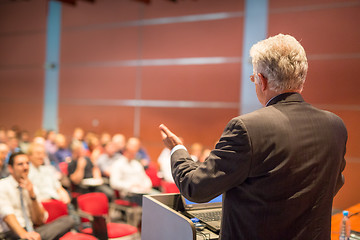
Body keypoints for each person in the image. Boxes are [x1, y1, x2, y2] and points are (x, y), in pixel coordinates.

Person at [159, 34, 347, 240]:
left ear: (261, 80)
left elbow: (195, 188)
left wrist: (177, 149)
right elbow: (334, 183)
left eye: (253, 79)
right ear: (302, 78)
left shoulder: (247, 128)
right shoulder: (335, 126)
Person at [0, 152, 74, 240]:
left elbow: (39, 220)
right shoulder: (3, 185)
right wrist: (23, 234)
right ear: (10, 168)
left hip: (33, 230)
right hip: (12, 233)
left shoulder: (32, 187)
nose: (25, 167)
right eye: (20, 164)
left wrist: (32, 196)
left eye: (27, 163)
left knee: (68, 220)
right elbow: (7, 215)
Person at [110, 139, 153, 206]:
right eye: (131, 152)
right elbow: (114, 183)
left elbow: (145, 178)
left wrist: (146, 186)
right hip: (128, 194)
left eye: (134, 152)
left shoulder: (137, 164)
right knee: (148, 202)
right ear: (125, 152)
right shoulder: (118, 164)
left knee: (155, 198)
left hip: (142, 191)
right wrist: (130, 185)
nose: (133, 154)